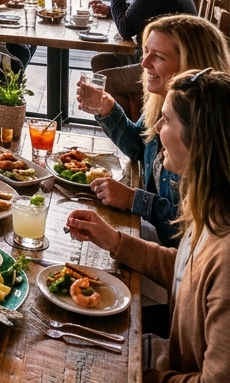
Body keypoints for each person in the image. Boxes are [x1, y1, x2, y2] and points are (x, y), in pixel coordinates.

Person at [22, 69, 230, 383]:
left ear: (199, 141)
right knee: (67, 360)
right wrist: (113, 241)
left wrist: (139, 381)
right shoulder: (214, 213)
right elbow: (185, 270)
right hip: (179, 378)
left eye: (167, 120)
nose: (155, 128)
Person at [77, 14, 230, 247]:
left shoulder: (207, 135)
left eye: (157, 56)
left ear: (190, 67)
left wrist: (134, 199)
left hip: (172, 261)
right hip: (153, 240)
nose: (144, 63)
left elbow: (189, 229)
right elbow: (138, 146)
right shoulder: (163, 106)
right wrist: (107, 109)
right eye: (145, 51)